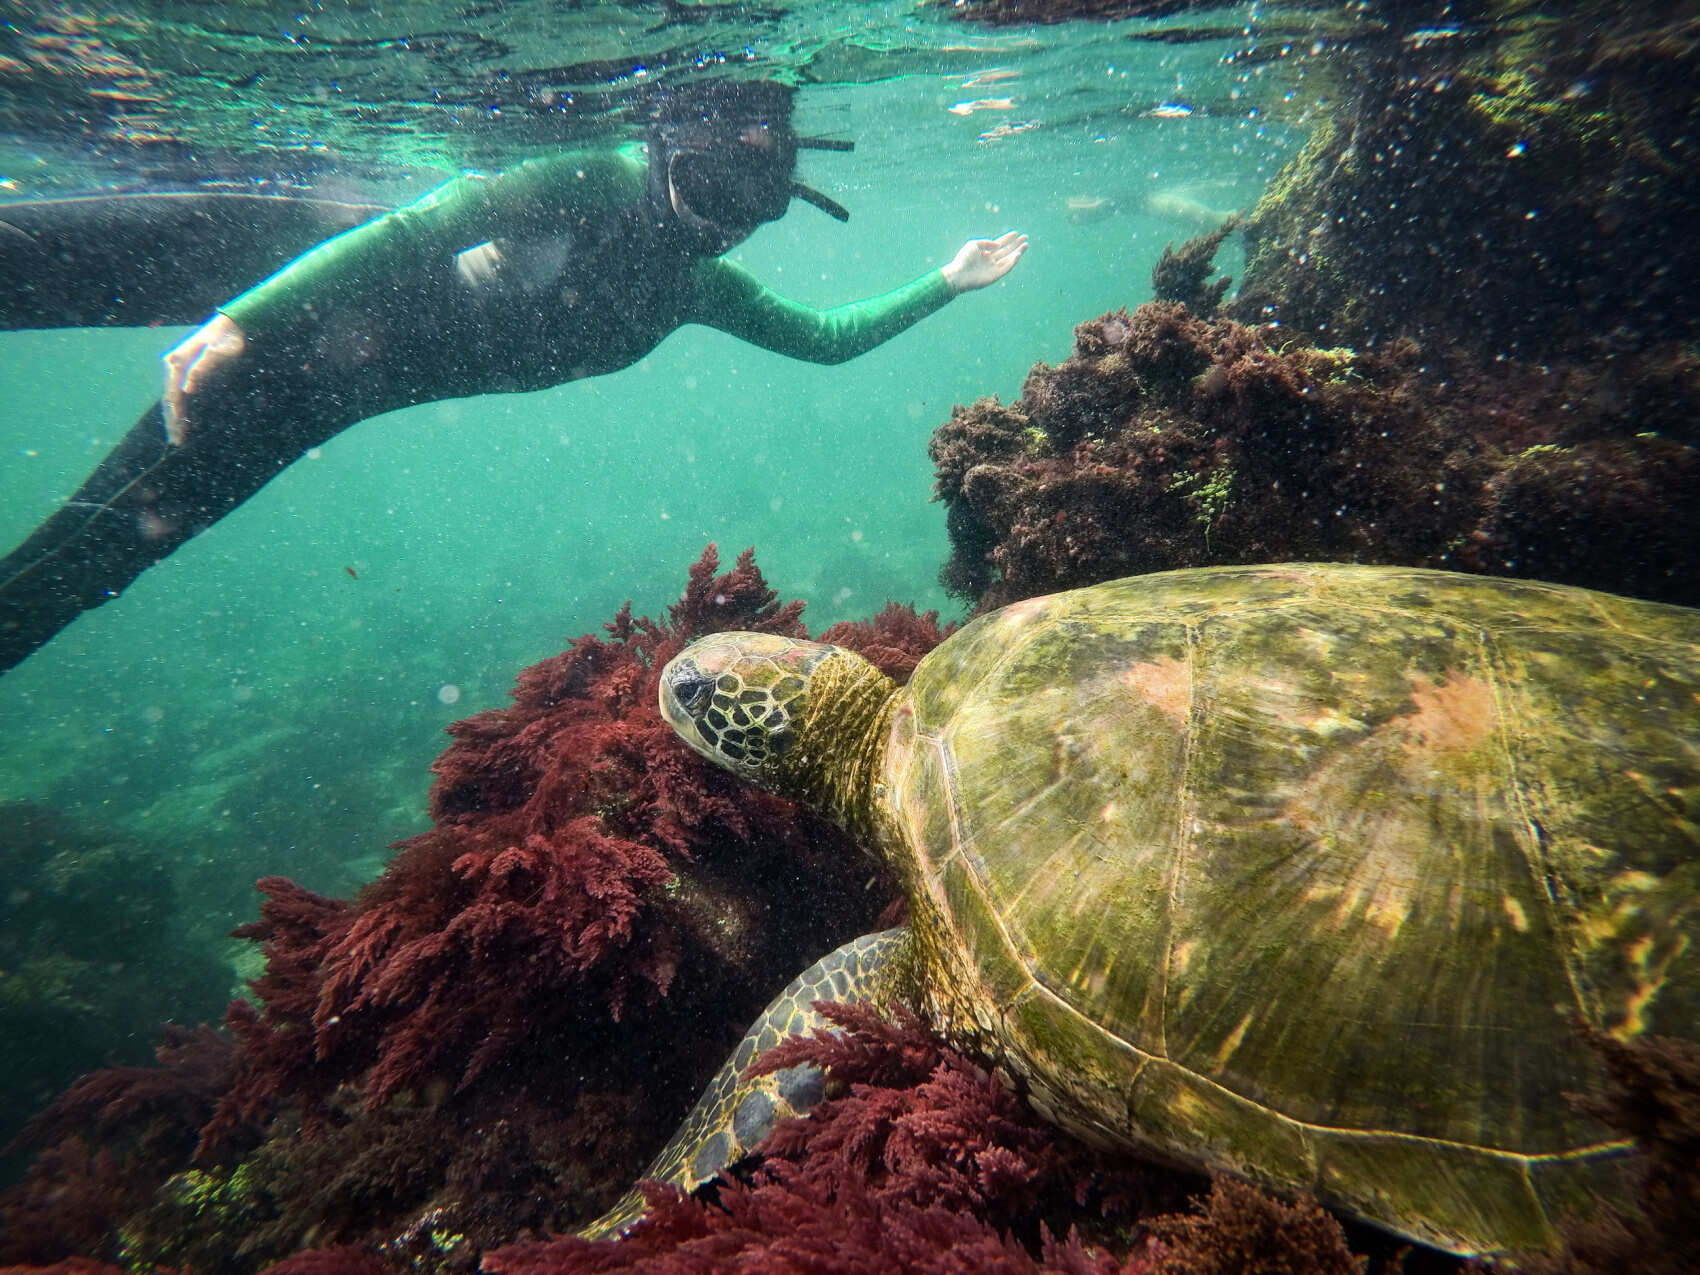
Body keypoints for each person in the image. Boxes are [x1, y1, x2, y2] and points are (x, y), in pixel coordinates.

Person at [0, 81, 1026, 673]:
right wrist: (244, 314)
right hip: (282, 260)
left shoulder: (690, 287)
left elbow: (823, 337)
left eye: (754, 207)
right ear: (668, 148)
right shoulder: (593, 175)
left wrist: (948, 280)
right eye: (713, 187)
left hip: (313, 384)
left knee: (81, 566)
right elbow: (424, 226)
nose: (722, 221)